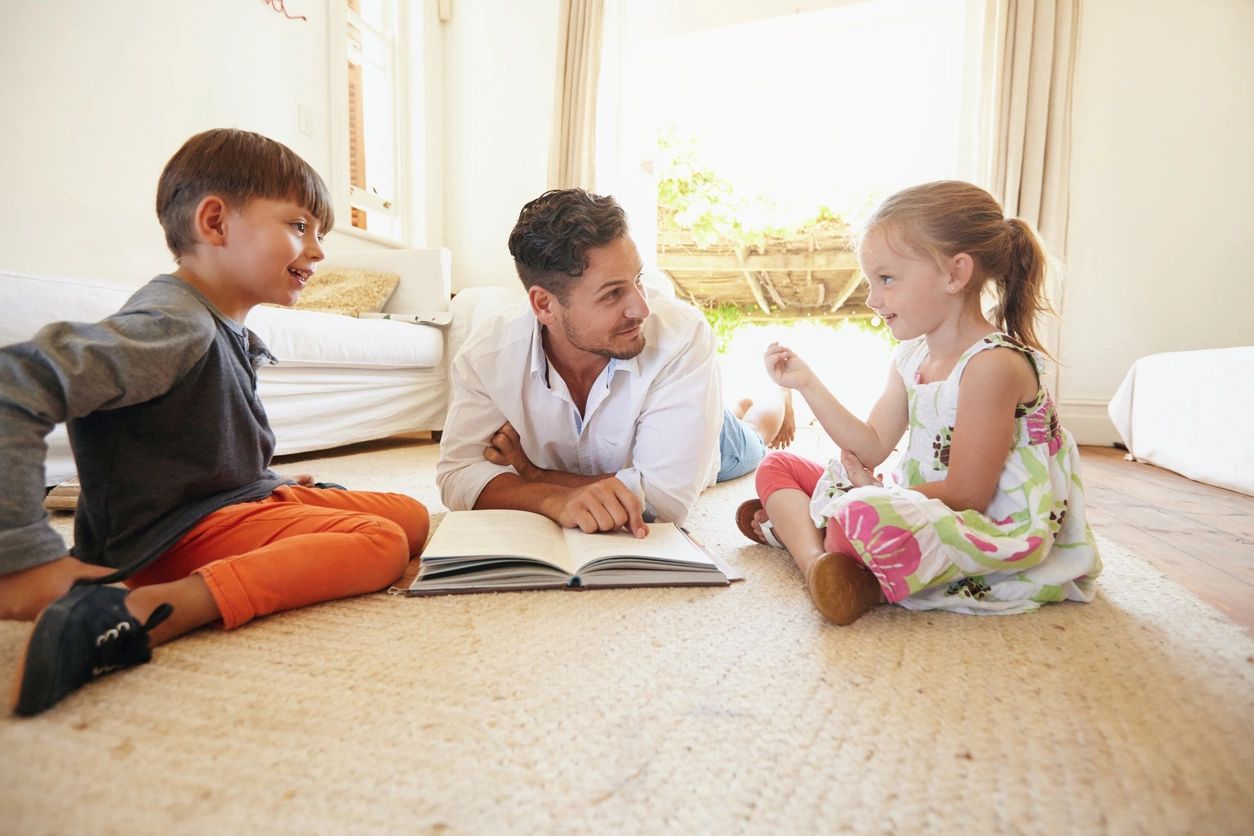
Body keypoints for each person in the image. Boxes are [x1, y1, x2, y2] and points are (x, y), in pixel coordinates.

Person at [0, 128, 430, 716]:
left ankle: (253, 525)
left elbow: (195, 445)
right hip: (168, 538)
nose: (320, 251)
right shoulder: (172, 324)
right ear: (215, 222)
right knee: (379, 544)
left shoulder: (213, 319)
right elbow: (13, 384)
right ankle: (147, 610)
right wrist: (23, 556)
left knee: (410, 516)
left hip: (225, 504)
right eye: (300, 226)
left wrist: (269, 483)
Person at [737, 180, 1101, 625]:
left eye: (886, 279)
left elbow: (969, 494)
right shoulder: (912, 357)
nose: (873, 299)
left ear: (954, 273)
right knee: (778, 467)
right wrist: (807, 383)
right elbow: (870, 445)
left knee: (860, 512)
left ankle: (819, 544)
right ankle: (821, 564)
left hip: (983, 524)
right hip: (913, 500)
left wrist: (868, 494)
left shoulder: (992, 365)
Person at [436, 188, 786, 535]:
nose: (641, 308)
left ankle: (780, 396)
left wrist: (534, 477)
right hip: (675, 413)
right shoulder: (487, 355)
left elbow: (663, 502)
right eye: (613, 294)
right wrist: (548, 500)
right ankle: (732, 405)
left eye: (637, 280)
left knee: (755, 436)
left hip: (715, 443)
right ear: (544, 305)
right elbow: (457, 476)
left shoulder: (681, 337)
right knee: (727, 410)